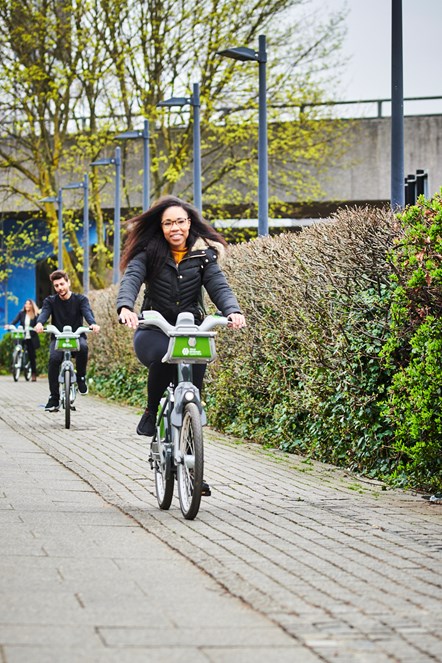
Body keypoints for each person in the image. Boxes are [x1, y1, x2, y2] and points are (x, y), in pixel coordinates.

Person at [117, 195, 246, 456]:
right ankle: (152, 411)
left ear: (189, 223)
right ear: (160, 227)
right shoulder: (148, 253)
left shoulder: (204, 255)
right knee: (164, 358)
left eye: (180, 222)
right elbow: (132, 278)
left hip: (190, 331)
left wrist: (232, 310)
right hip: (155, 329)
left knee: (194, 400)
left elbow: (218, 286)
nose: (175, 228)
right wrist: (126, 307)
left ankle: (193, 463)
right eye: (168, 224)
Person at [34, 270, 100, 411]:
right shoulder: (50, 301)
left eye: (62, 284)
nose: (60, 288)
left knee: (83, 347)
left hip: (76, 336)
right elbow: (44, 313)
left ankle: (81, 377)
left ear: (68, 282)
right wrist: (40, 323)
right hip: (58, 338)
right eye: (56, 286)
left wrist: (92, 323)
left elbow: (87, 312)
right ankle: (54, 398)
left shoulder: (80, 300)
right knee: (53, 360)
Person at [7, 299, 40, 381]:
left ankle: (33, 374)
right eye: (26, 304)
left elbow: (38, 324)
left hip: (31, 338)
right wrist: (10, 326)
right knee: (17, 348)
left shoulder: (35, 315)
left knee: (31, 356)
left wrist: (36, 328)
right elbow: (15, 321)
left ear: (32, 305)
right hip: (23, 336)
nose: (27, 305)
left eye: (29, 304)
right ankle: (16, 362)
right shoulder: (21, 313)